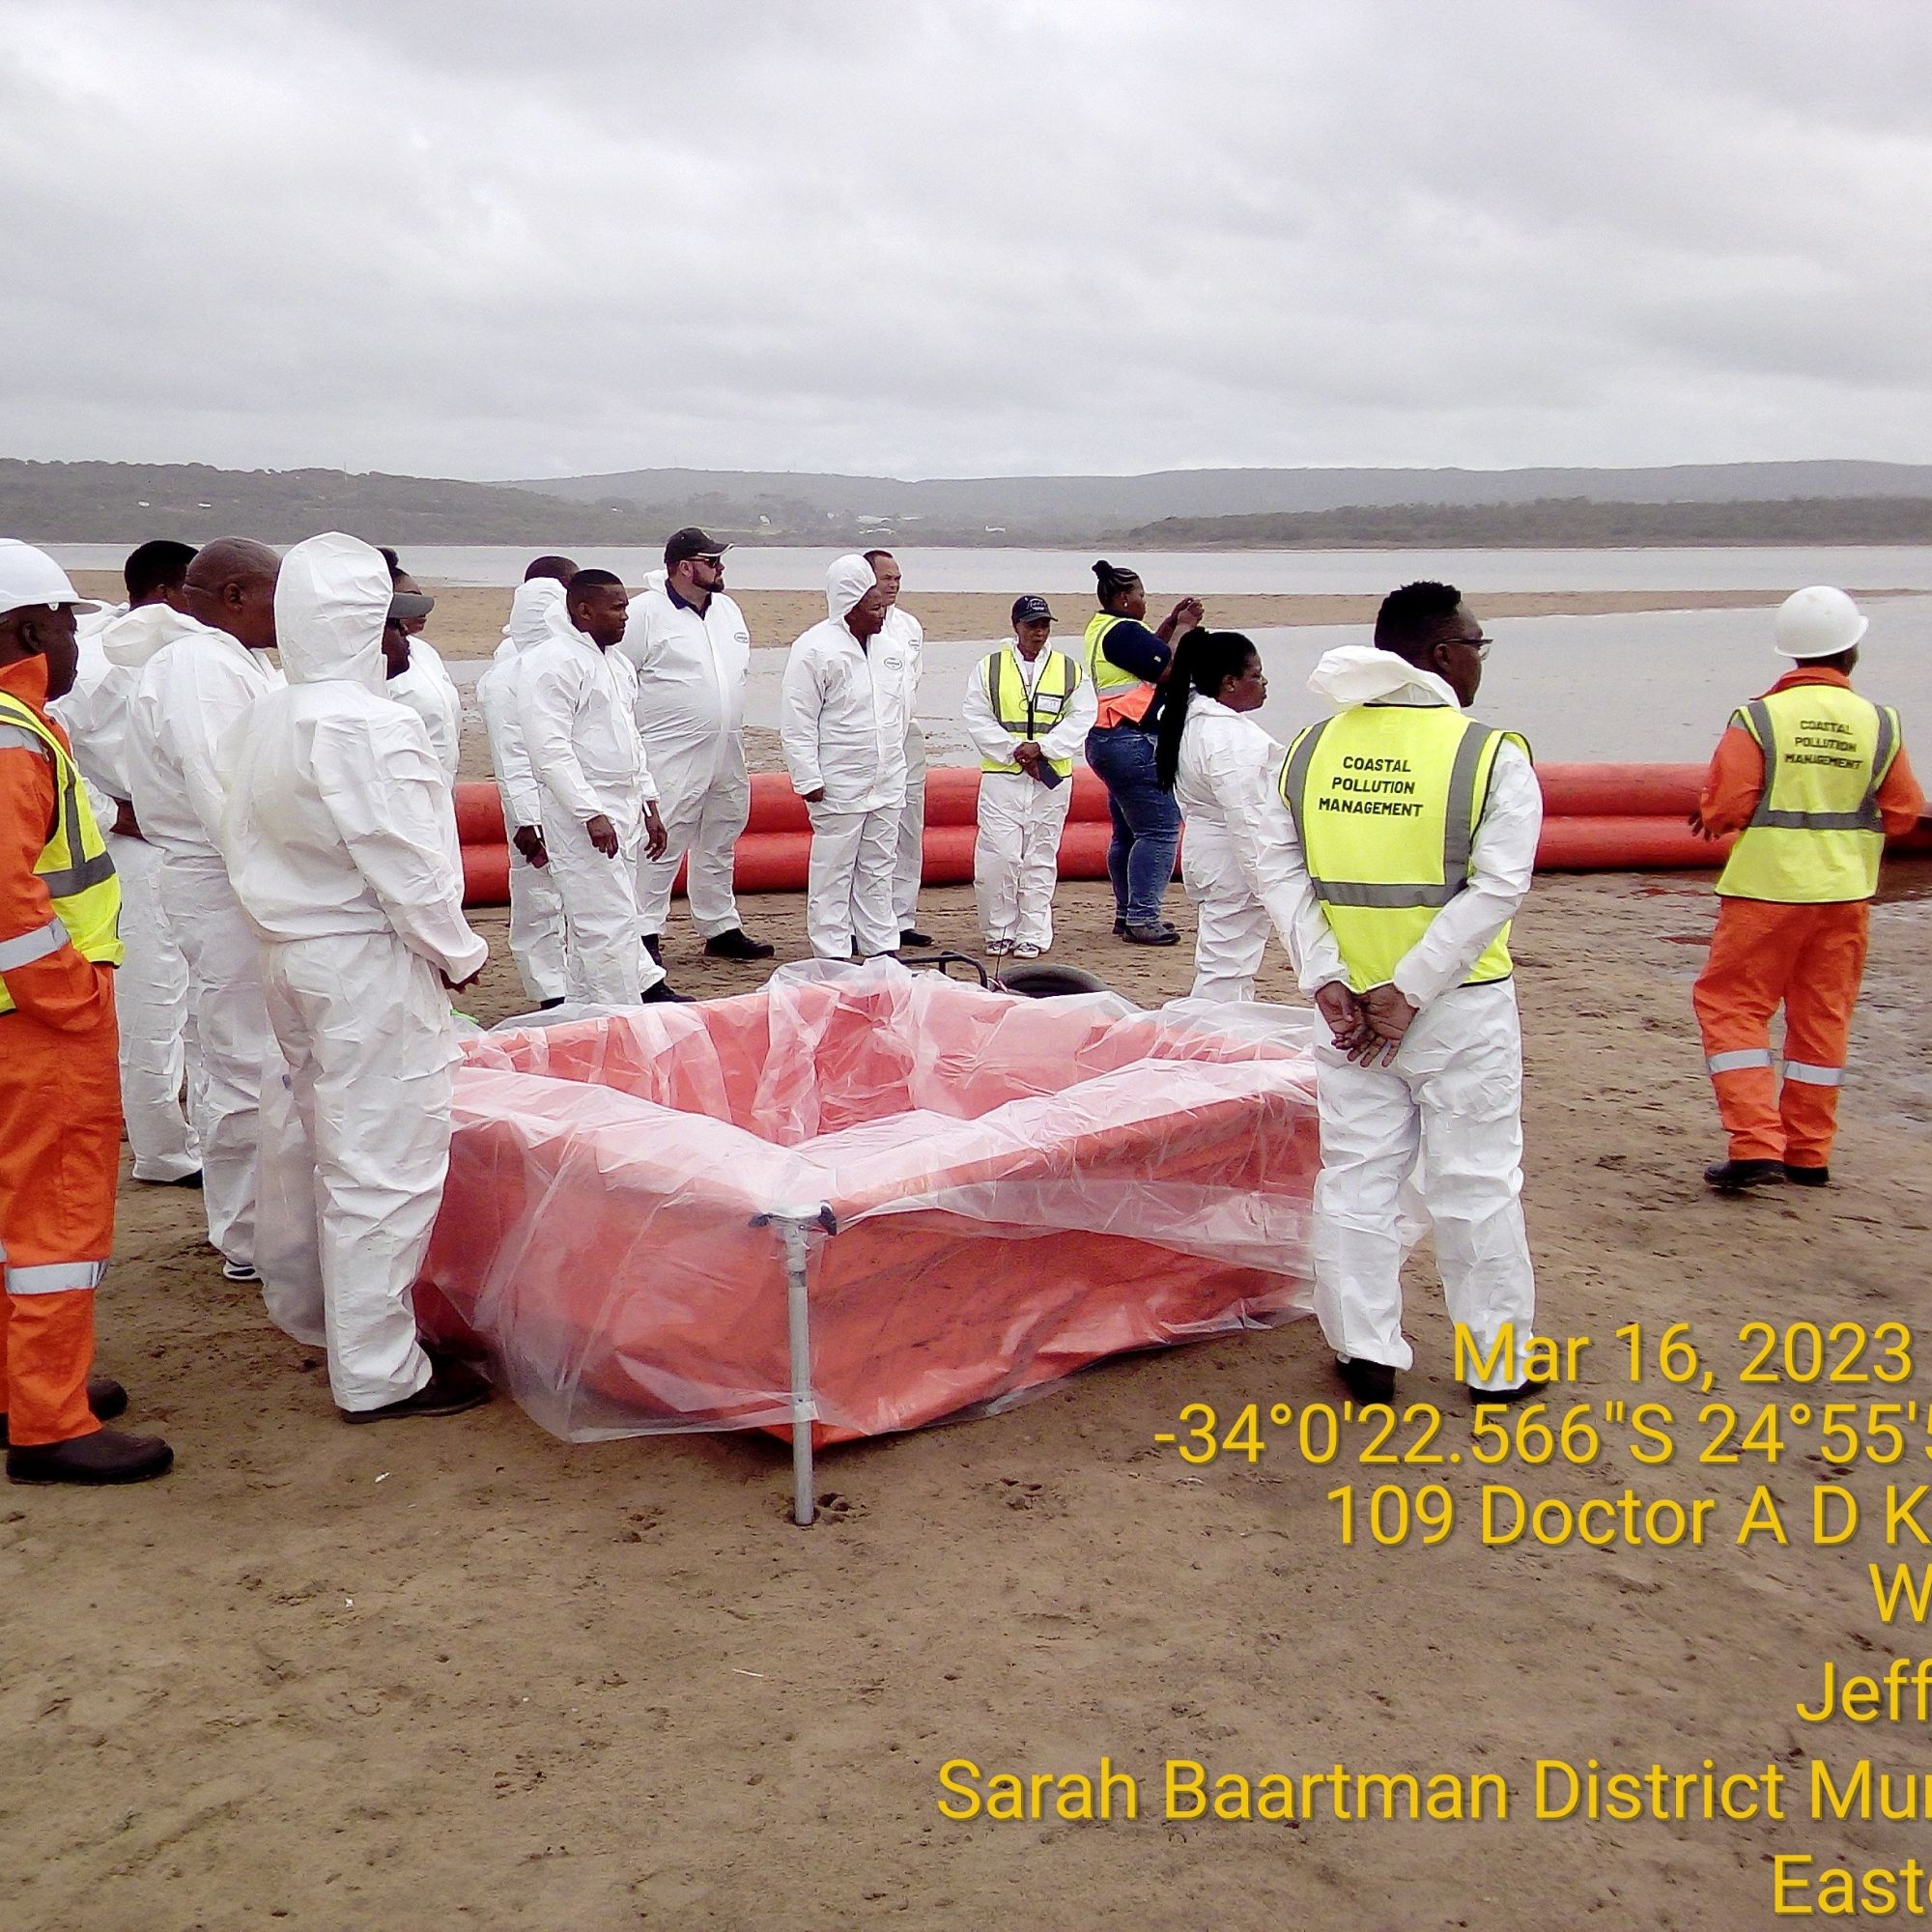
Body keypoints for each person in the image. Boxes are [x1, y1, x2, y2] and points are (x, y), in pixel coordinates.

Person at [219, 532, 491, 1422]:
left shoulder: (267, 714)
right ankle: (379, 1370)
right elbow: (404, 859)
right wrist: (456, 951)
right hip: (365, 959)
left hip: (289, 950)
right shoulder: (370, 724)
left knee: (314, 1139)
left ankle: (320, 1312)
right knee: (385, 1163)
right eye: (387, 620)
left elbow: (238, 838)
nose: (397, 637)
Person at [1259, 581, 1542, 1405]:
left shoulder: (1309, 750)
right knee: (1477, 1184)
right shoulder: (1489, 754)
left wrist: (1325, 976)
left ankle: (1364, 1353)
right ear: (1445, 654)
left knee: (1356, 1177)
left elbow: (1279, 871)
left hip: (1347, 1013)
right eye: (1477, 647)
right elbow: (1499, 888)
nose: (1480, 662)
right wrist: (1411, 990)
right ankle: (1497, 1366)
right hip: (1459, 1009)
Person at [0, 540, 173, 1483]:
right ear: (31, 628)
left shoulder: (24, 726)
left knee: (14, 1217)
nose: (75, 643)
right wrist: (71, 999)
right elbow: (11, 903)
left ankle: (20, 1386)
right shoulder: (12, 734)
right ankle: (48, 1421)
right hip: (36, 1026)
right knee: (54, 1225)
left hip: (22, 1019)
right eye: (68, 623)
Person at [1690, 586, 1923, 1193]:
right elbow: (1903, 813)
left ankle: (1754, 1144)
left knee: (1732, 1008)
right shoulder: (1880, 722)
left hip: (1764, 894)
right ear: (1851, 650)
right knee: (1822, 1019)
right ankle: (1808, 1153)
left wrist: (1712, 812)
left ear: (1789, 653)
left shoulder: (1758, 719)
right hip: (1844, 897)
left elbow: (1728, 807)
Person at [116, 537, 283, 1281]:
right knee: (238, 1054)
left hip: (241, 876)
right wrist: (283, 888)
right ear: (236, 595)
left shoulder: (234, 660)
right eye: (279, 592)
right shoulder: (198, 667)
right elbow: (224, 794)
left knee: (255, 1050)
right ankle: (246, 1239)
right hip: (226, 878)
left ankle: (262, 1223)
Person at [52, 540, 203, 1184]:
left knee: (197, 1002)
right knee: (153, 1004)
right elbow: (41, 743)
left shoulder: (190, 655)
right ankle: (162, 1150)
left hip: (191, 850)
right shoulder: (99, 665)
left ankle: (192, 1134)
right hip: (137, 853)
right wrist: (113, 812)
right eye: (199, 589)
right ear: (168, 592)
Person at [519, 568, 678, 1004]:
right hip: (582, 814)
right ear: (583, 611)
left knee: (619, 915)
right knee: (603, 922)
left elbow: (632, 740)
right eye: (617, 607)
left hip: (625, 805)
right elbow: (549, 748)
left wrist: (649, 804)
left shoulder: (617, 664)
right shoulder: (552, 662)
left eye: (626, 606)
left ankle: (585, 1012)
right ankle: (620, 1017)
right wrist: (589, 812)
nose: (626, 616)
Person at [619, 528, 771, 966]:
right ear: (685, 567)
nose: (720, 568)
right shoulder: (645, 614)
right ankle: (644, 929)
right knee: (661, 841)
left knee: (722, 833)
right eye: (712, 561)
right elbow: (620, 679)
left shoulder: (727, 610)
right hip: (668, 748)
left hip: (725, 746)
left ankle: (720, 924)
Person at [780, 555, 913, 961]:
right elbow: (798, 718)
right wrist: (807, 777)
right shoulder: (815, 649)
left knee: (879, 868)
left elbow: (900, 714)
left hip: (886, 782)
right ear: (848, 604)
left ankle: (881, 949)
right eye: (873, 608)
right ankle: (832, 953)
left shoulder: (891, 649)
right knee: (833, 872)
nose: (881, 615)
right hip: (837, 784)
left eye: (883, 607)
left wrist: (896, 769)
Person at [962, 595, 1094, 956]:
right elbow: (977, 716)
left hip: (1050, 779)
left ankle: (1034, 933)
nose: (1039, 632)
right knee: (1000, 855)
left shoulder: (1069, 670)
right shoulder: (990, 667)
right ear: (1016, 626)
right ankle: (999, 929)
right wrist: (1014, 750)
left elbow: (1082, 716)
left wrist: (1045, 748)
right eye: (1032, 625)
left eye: (1044, 625)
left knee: (1040, 856)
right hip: (1003, 777)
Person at [1154, 629, 1283, 1001]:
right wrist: (1267, 881)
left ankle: (1220, 1026)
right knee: (1227, 966)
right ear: (1229, 682)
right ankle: (1211, 1030)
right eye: (1256, 674)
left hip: (1208, 853)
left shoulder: (1188, 721)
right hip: (1232, 861)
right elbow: (1245, 816)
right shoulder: (1229, 738)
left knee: (1225, 960)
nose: (1264, 683)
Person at [1083, 558, 1202, 946]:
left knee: (1128, 832)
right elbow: (1168, 670)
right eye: (1141, 595)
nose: (1144, 602)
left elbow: (1152, 650)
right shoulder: (1123, 632)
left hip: (1107, 739)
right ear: (1124, 598)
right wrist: (1185, 629)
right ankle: (1143, 917)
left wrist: (1170, 622)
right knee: (1160, 830)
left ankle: (1127, 913)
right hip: (1130, 741)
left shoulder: (1104, 627)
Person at [475, 574, 570, 1008]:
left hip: (569, 798)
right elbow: (510, 757)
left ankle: (576, 979)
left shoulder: (563, 664)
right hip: (533, 803)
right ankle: (549, 989)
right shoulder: (504, 680)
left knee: (579, 895)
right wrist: (528, 820)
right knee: (538, 897)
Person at [868, 550, 932, 948]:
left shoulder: (909, 626)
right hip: (867, 738)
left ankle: (902, 916)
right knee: (871, 835)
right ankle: (861, 922)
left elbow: (913, 681)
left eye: (897, 578)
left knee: (908, 829)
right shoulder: (852, 626)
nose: (893, 584)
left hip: (905, 735)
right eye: (885, 577)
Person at [378, 550, 462, 783]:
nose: (420, 609)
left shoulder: (424, 653)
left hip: (441, 783)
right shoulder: (373, 661)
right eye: (409, 599)